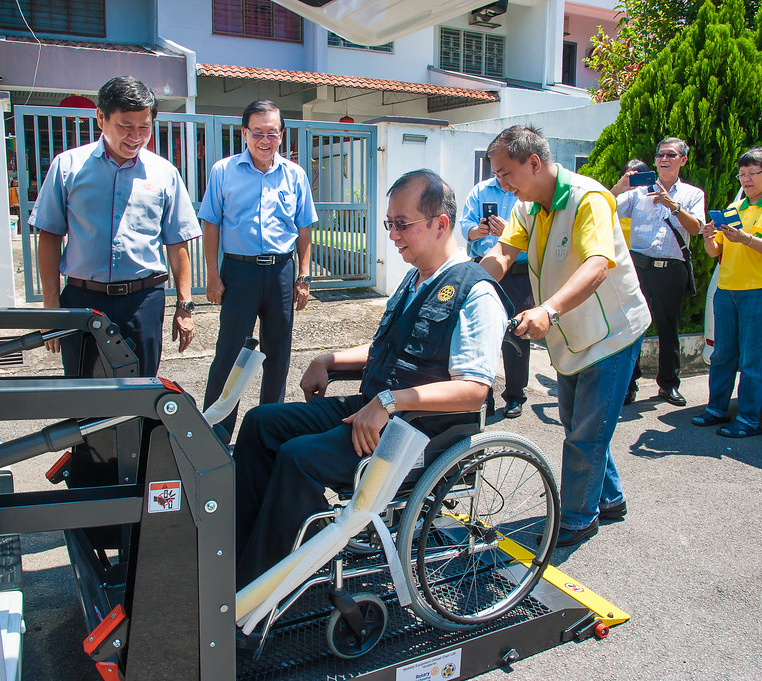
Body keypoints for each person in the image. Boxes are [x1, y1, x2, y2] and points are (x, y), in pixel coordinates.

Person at [233, 169, 513, 588]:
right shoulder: (417, 278)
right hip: (376, 410)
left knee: (299, 458)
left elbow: (474, 391)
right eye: (390, 224)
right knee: (261, 423)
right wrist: (328, 359)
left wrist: (388, 403)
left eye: (403, 224)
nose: (394, 235)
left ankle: (263, 589)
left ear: (440, 224)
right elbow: (391, 349)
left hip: (416, 432)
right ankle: (244, 550)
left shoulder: (476, 292)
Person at [479, 126, 650, 546]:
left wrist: (547, 310)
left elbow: (596, 267)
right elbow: (503, 254)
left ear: (533, 163)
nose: (501, 183)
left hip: (612, 332)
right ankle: (609, 499)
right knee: (580, 424)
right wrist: (467, 288)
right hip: (573, 331)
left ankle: (576, 518)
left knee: (585, 432)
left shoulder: (588, 198)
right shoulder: (527, 207)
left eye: (505, 173)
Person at [31, 76, 201, 377]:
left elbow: (178, 243)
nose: (136, 136)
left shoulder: (164, 174)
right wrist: (50, 304)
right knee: (84, 392)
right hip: (83, 300)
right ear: (101, 117)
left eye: (144, 127)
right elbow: (50, 236)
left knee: (140, 394)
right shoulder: (68, 167)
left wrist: (184, 305)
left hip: (142, 303)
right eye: (125, 126)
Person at [199, 100, 317, 440]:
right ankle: (216, 432)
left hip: (281, 272)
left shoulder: (295, 174)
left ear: (282, 135)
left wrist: (303, 276)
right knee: (230, 352)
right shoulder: (224, 171)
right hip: (239, 271)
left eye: (272, 133)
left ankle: (269, 433)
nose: (265, 140)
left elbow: (304, 229)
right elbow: (211, 224)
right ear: (244, 134)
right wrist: (212, 275)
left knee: (278, 353)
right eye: (258, 133)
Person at [692, 148, 762, 438]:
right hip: (728, 290)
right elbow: (715, 251)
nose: (746, 180)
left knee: (753, 360)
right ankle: (715, 409)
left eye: (752, 174)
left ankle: (748, 420)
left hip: (761, 291)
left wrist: (747, 239)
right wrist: (709, 237)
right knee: (723, 355)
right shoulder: (734, 208)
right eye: (742, 174)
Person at [612, 138, 705, 407]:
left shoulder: (691, 193)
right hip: (639, 267)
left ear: (683, 160)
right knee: (632, 326)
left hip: (671, 270)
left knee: (668, 329)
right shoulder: (638, 192)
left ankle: (668, 385)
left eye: (671, 155)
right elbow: (605, 207)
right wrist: (621, 187)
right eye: (660, 154)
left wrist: (672, 205)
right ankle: (628, 385)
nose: (664, 159)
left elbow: (697, 228)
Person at [458, 163, 534, 419]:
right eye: (497, 174)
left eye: (506, 174)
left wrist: (510, 234)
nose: (502, 180)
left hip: (518, 272)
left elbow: (537, 238)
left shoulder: (526, 195)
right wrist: (476, 231)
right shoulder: (480, 191)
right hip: (485, 269)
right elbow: (465, 225)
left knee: (518, 332)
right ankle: (483, 397)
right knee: (481, 332)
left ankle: (515, 395)